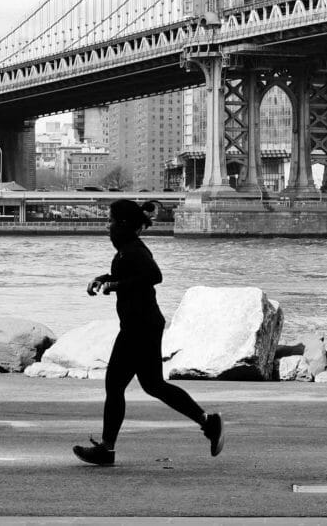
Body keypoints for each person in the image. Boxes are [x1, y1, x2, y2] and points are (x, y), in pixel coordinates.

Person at [72, 199, 225, 466]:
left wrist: (117, 284)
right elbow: (131, 277)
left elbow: (154, 276)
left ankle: (107, 450)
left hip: (139, 327)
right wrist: (104, 279)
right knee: (154, 385)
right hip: (143, 325)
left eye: (110, 221)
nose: (107, 226)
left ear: (122, 224)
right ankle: (208, 422)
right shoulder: (126, 251)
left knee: (116, 384)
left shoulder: (134, 250)